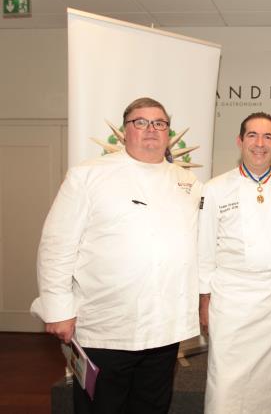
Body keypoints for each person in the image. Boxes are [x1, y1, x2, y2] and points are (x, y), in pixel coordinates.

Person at [31, 97, 202, 413]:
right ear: (125, 132)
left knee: (152, 407)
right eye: (141, 122)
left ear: (167, 132)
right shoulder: (88, 175)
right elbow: (56, 245)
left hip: (164, 327)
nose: (151, 129)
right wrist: (57, 308)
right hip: (104, 328)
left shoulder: (187, 181)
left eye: (159, 123)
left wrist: (262, 174)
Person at [198, 112, 271, 413]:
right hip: (229, 296)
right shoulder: (216, 188)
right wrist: (204, 299)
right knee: (226, 377)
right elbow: (204, 247)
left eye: (267, 136)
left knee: (269, 377)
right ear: (240, 141)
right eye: (253, 136)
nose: (260, 143)